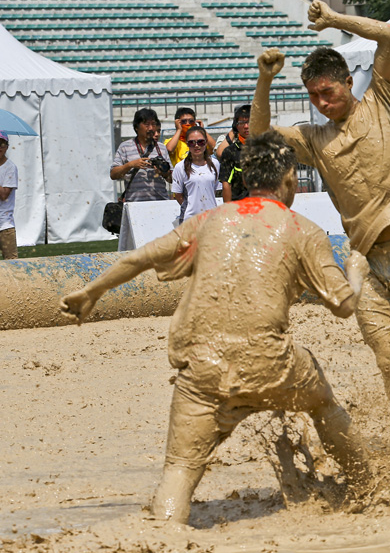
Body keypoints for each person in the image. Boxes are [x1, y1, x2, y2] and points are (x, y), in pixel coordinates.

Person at [59, 131, 371, 525]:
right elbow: (344, 305)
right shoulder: (303, 230)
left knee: (179, 469)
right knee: (323, 404)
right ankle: (368, 484)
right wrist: (356, 272)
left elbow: (139, 258)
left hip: (201, 369)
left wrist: (92, 291)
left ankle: (165, 531)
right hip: (272, 363)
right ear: (290, 180)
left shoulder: (207, 222)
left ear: (246, 179)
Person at [250, 0, 390, 439]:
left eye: (328, 92)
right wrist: (265, 80)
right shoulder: (313, 139)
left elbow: (389, 35)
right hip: (365, 261)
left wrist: (333, 21)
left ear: (348, 81)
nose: (322, 103)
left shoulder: (382, 99)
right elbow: (259, 135)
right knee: (388, 360)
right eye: (313, 97)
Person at [111, 108, 172, 202]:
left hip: (160, 202)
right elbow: (113, 174)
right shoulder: (125, 147)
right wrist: (130, 165)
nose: (151, 128)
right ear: (136, 127)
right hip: (134, 204)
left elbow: (172, 179)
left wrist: (164, 172)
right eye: (147, 125)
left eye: (153, 124)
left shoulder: (161, 148)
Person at [171, 126, 221, 222]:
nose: (196, 146)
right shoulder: (180, 167)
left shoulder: (215, 164)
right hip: (190, 219)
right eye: (192, 142)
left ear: (206, 142)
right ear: (187, 144)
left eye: (200, 142)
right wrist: (190, 208)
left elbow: (214, 190)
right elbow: (178, 194)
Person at [219, 105, 251, 203]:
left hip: (262, 206)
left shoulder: (266, 149)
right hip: (238, 206)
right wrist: (229, 209)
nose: (246, 126)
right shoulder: (230, 152)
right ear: (236, 126)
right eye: (242, 123)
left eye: (250, 122)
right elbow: (226, 185)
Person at [0, 130, 17, 260]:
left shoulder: (10, 168)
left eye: (2, 144)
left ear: (7, 147)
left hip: (5, 226)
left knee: (12, 265)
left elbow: (4, 195)